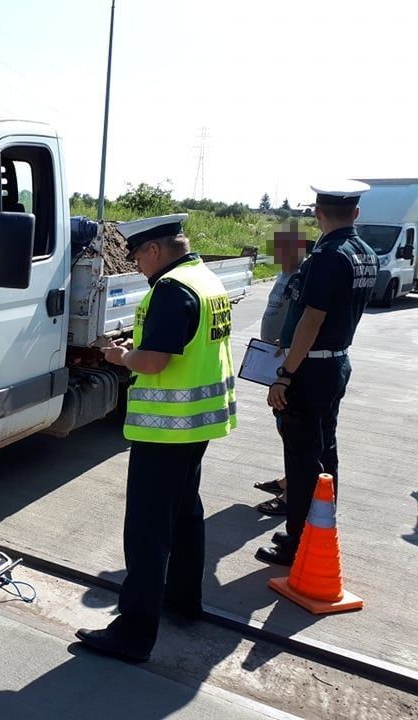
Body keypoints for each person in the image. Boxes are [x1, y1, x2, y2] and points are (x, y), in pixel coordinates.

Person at [75, 214, 237, 662]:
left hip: (167, 426)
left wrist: (121, 355)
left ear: (156, 250)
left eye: (138, 257)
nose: (137, 266)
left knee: (148, 530)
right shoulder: (204, 278)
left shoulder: (171, 289)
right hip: (198, 423)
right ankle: (184, 599)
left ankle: (133, 633)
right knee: (185, 513)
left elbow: (155, 362)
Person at [256, 181, 378, 565]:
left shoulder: (328, 256)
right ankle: (321, 526)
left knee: (303, 457)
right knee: (326, 452)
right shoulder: (364, 252)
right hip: (337, 362)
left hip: (310, 368)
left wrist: (286, 374)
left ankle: (298, 542)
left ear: (317, 213)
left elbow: (312, 318)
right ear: (355, 213)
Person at [253, 222, 310, 516]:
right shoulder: (285, 274)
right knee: (282, 425)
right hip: (272, 360)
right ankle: (289, 480)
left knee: (289, 427)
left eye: (281, 247)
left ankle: (292, 492)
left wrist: (286, 345)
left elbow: (306, 320)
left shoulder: (303, 275)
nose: (275, 252)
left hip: (288, 362)